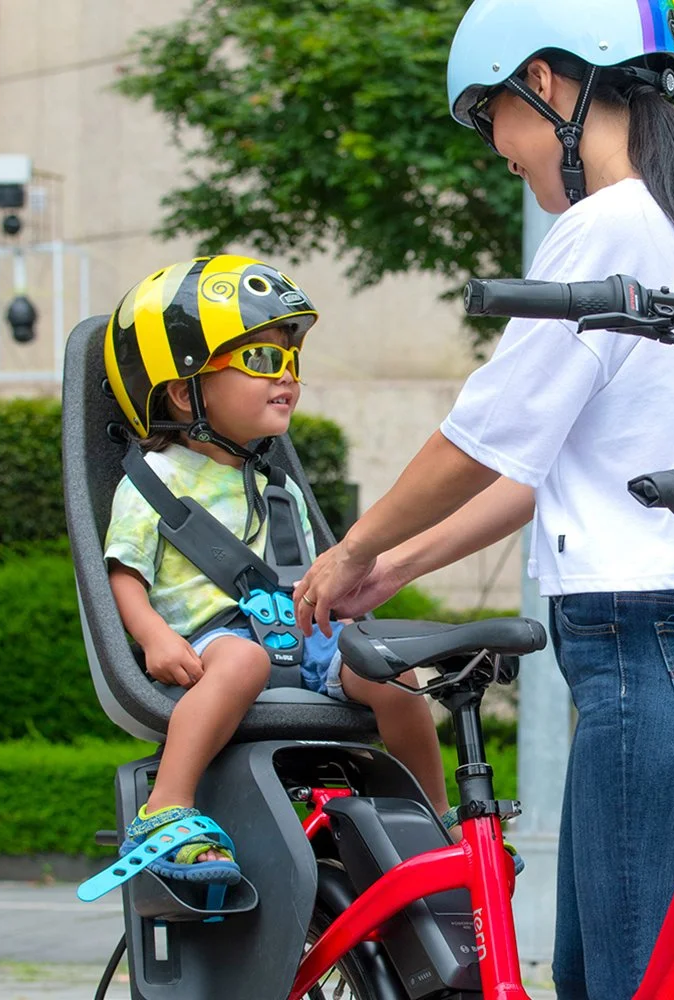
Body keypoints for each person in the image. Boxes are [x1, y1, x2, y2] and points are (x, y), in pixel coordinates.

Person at [292, 1, 674, 994]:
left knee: (636, 980)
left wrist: (348, 548)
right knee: (606, 975)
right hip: (669, 641)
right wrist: (394, 565)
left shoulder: (608, 225)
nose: (497, 149)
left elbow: (480, 438)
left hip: (645, 644)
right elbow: (531, 477)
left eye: (488, 116)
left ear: (546, 85)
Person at [102, 255, 448, 884]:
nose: (287, 378)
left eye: (292, 364)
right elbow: (123, 571)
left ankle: (431, 817)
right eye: (263, 362)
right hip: (210, 643)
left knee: (394, 670)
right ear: (185, 390)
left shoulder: (274, 483)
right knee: (243, 659)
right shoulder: (156, 482)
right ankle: (165, 809)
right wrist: (153, 636)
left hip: (295, 634)